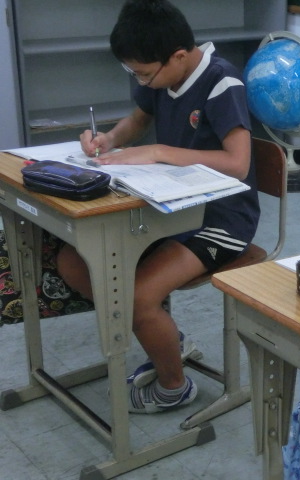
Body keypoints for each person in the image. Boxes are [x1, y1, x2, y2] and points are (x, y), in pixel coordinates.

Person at [56, 0, 259, 414]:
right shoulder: (162, 77)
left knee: (136, 297)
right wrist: (109, 140)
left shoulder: (222, 82)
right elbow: (138, 119)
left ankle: (174, 387)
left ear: (178, 56)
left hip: (222, 219)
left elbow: (238, 163)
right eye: (134, 73)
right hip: (167, 208)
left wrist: (159, 152)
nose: (142, 82)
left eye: (145, 74)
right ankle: (168, 339)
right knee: (74, 262)